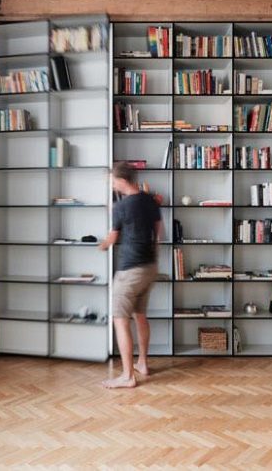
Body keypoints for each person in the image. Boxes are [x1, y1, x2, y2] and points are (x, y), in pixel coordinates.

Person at [99, 161, 162, 389]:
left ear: (122, 181)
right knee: (140, 315)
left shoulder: (121, 207)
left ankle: (127, 376)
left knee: (120, 320)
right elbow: (159, 232)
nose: (113, 185)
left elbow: (112, 239)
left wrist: (101, 245)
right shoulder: (150, 199)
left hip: (130, 270)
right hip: (149, 267)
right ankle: (142, 364)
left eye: (113, 181)